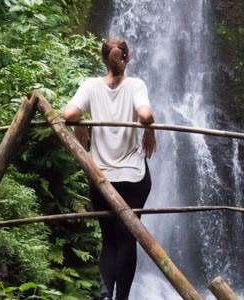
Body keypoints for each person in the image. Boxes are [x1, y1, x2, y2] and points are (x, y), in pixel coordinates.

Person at [62, 36, 156, 300]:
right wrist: (150, 129)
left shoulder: (90, 86)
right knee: (129, 237)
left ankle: (105, 293)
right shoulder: (136, 85)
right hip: (135, 177)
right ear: (128, 57)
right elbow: (146, 114)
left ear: (103, 58)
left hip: (101, 176)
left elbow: (68, 114)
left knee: (109, 239)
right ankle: (121, 298)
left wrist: (82, 121)